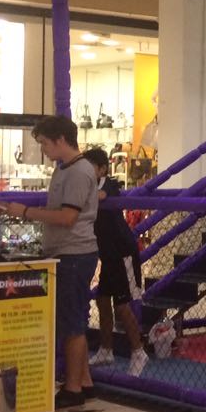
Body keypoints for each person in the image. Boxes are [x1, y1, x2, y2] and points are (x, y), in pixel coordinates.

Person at [0, 116, 99, 408]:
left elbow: (67, 217)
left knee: (72, 322)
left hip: (74, 254)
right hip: (65, 252)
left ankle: (74, 387)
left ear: (60, 140)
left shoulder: (78, 172)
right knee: (70, 317)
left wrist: (26, 211)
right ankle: (84, 381)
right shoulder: (66, 170)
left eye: (44, 143)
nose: (42, 149)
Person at [81, 149, 148, 378]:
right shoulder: (88, 185)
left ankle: (138, 351)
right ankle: (106, 349)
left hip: (122, 251)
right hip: (107, 254)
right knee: (101, 299)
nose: (86, 171)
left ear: (101, 169)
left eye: (91, 166)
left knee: (123, 304)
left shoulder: (108, 184)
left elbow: (99, 197)